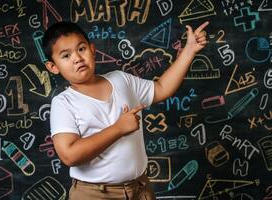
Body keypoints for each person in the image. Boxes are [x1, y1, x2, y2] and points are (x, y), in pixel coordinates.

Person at [42, 20, 208, 200]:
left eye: (81, 49)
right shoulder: (64, 102)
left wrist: (189, 51)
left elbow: (161, 88)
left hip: (139, 187)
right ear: (53, 66)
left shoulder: (121, 80)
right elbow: (69, 155)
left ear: (92, 49)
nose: (77, 58)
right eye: (66, 56)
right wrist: (118, 128)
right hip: (93, 194)